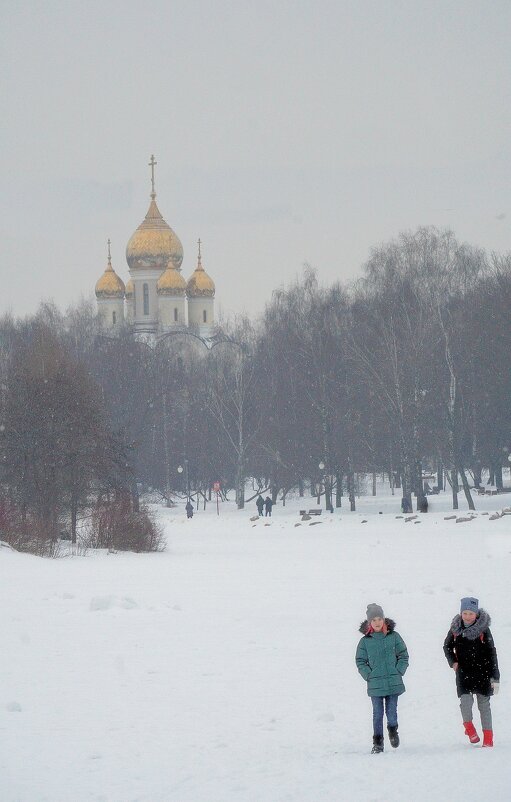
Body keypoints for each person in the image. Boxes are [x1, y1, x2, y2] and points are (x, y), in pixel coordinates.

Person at [443, 597, 500, 747]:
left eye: (471, 613)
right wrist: (453, 662)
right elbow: (447, 647)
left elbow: (491, 652)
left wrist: (495, 676)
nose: (468, 616)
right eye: (465, 613)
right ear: (461, 613)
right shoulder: (455, 629)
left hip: (483, 672)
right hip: (463, 673)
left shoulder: (484, 630)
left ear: (476, 614)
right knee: (465, 703)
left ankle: (488, 737)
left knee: (484, 705)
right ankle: (469, 728)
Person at [355, 603, 409, 753]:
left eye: (380, 619)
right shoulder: (365, 641)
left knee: (391, 712)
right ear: (369, 622)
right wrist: (369, 675)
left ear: (384, 620)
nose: (377, 622)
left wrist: (399, 670)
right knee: (377, 713)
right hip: (375, 684)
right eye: (374, 620)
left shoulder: (394, 637)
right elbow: (360, 661)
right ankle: (378, 742)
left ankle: (393, 731)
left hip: (393, 682)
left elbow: (403, 654)